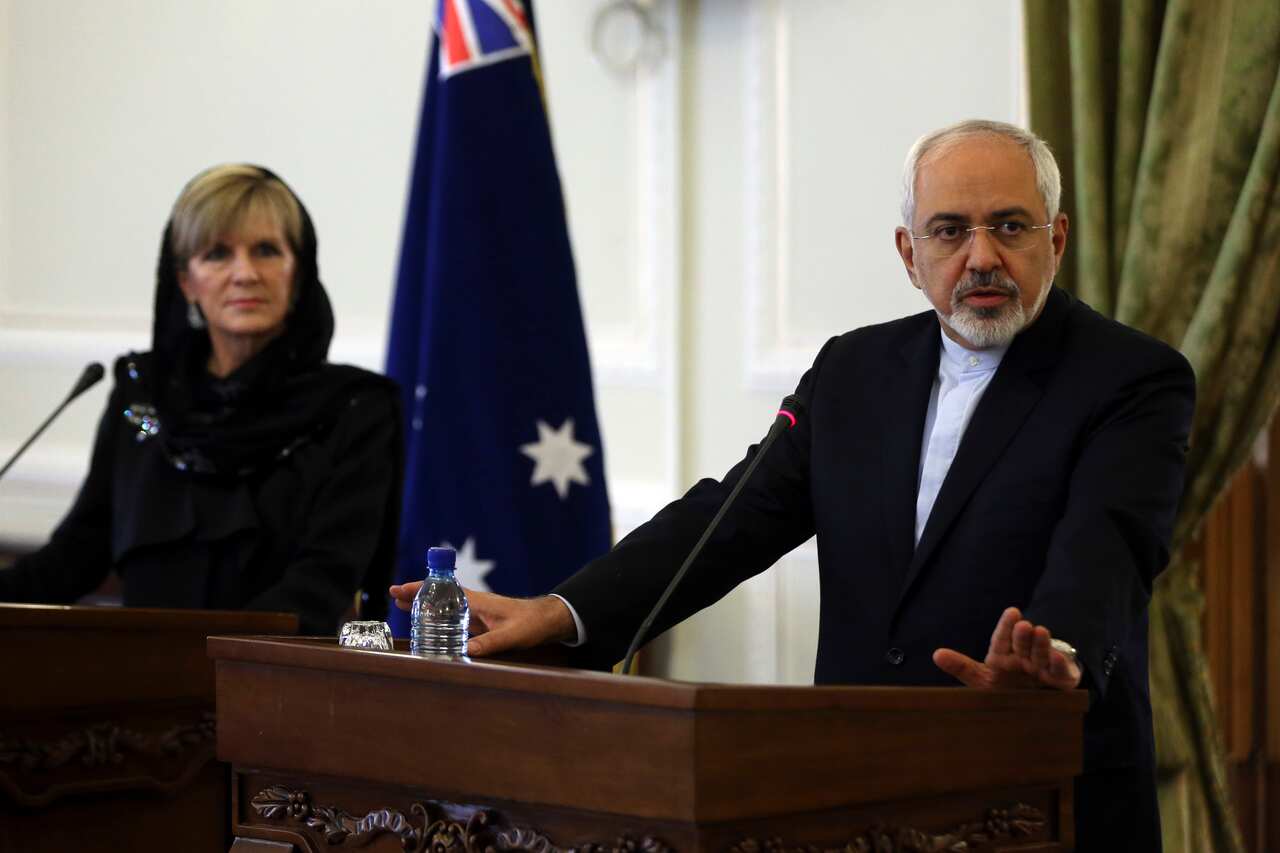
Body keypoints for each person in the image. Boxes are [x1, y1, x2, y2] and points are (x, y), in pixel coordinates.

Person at [390, 120, 1193, 849]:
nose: (981, 255)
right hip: (853, 794)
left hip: (1044, 794)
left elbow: (1109, 543)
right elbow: (726, 521)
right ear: (910, 256)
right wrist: (562, 611)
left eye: (1009, 226)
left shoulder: (1129, 378)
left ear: (1056, 239)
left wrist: (1051, 653)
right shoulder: (853, 370)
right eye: (950, 230)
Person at [0, 165, 402, 635]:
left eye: (267, 250)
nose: (245, 273)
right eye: (217, 254)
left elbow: (318, 587)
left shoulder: (356, 409)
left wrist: (196, 665)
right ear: (185, 281)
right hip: (136, 683)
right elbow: (73, 558)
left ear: (299, 272)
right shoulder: (142, 397)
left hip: (273, 688)